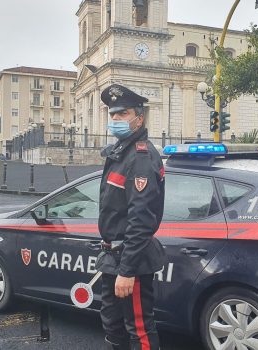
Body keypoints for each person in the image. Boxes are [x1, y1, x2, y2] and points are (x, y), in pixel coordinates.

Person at [97, 84, 165, 350]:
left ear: (139, 117)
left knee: (138, 328)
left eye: (122, 114)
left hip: (130, 260)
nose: (115, 119)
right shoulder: (120, 154)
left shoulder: (140, 158)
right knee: (113, 325)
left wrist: (127, 271)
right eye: (112, 114)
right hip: (113, 259)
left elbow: (141, 219)